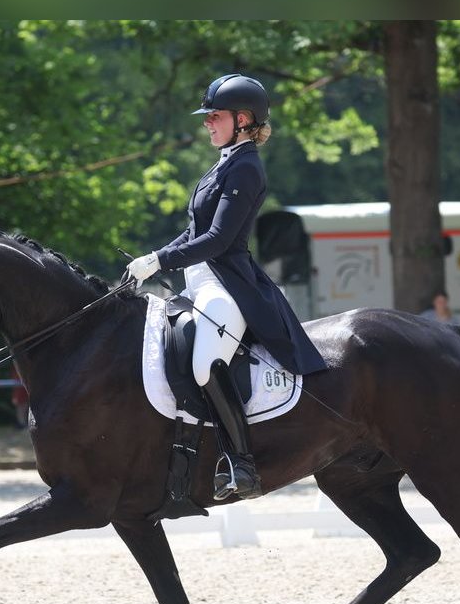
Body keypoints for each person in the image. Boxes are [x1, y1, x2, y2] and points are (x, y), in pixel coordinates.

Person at [126, 73, 327, 501]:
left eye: (214, 116)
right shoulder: (222, 163)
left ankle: (243, 464)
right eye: (207, 117)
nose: (207, 124)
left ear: (242, 119)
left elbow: (217, 240)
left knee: (204, 365)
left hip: (226, 284)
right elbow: (192, 233)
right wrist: (153, 259)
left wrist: (161, 260)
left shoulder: (247, 166)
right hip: (198, 280)